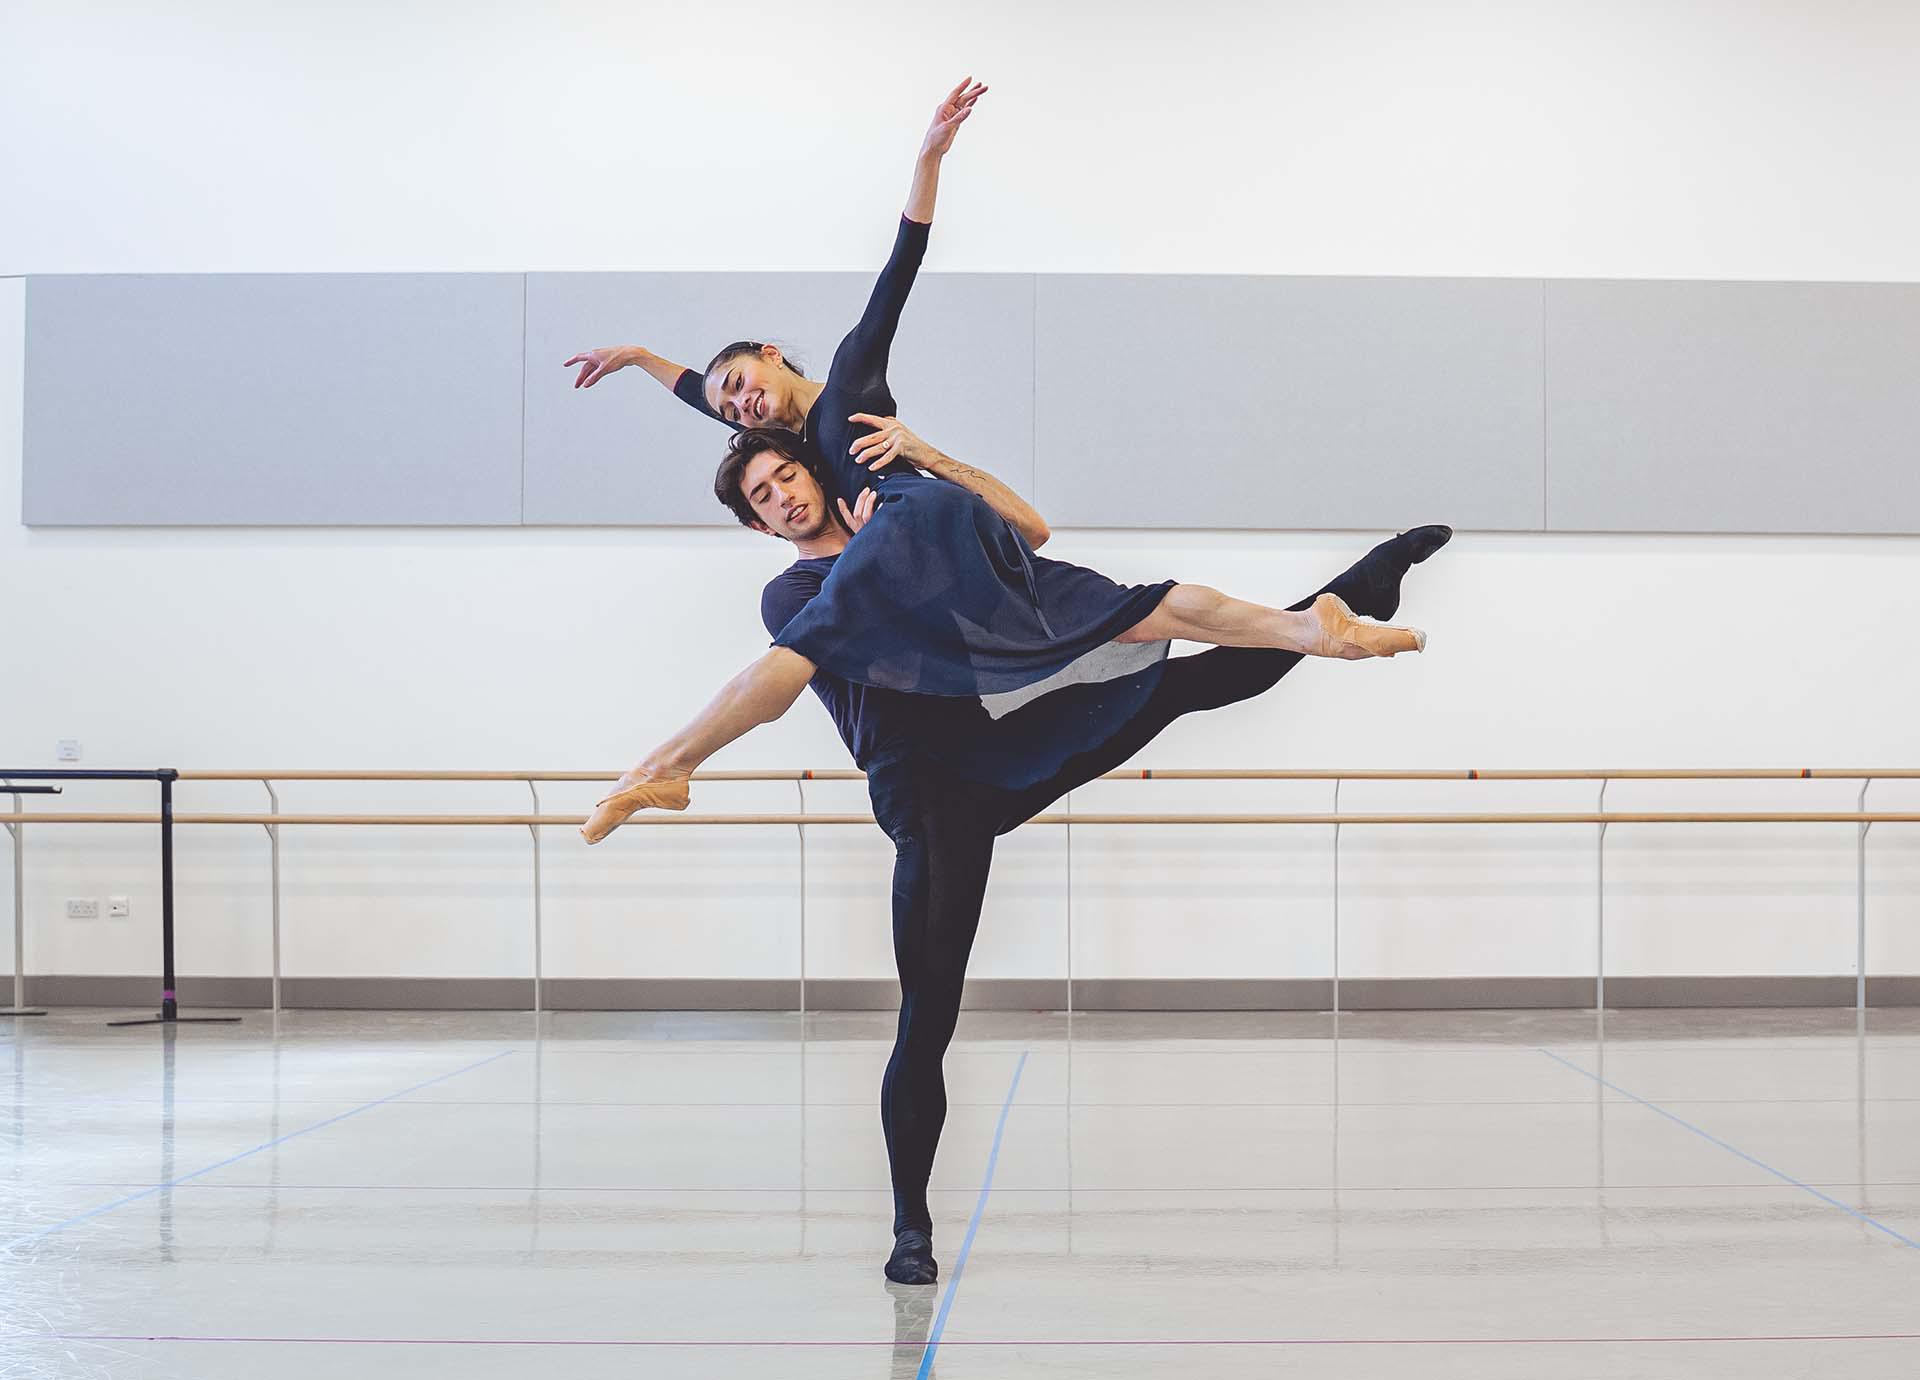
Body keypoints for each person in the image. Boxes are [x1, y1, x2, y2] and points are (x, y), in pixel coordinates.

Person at [606, 415, 1451, 1286]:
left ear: (814, 475)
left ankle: (1351, 593)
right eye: (763, 497)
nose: (783, 496)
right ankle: (909, 1227)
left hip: (1003, 745)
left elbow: (1013, 551)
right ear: (756, 525)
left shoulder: (892, 524)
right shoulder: (790, 596)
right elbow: (876, 633)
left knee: (1188, 681)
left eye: (787, 476)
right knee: (926, 1014)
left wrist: (921, 471)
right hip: (929, 789)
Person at [567, 79, 1428, 840]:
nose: (740, 403)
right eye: (727, 408)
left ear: (766, 354)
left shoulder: (849, 383)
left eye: (742, 384)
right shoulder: (794, 450)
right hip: (966, 546)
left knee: (795, 653)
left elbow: (897, 269)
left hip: (919, 522)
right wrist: (644, 357)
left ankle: (667, 763)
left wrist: (929, 157)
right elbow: (699, 390)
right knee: (1151, 608)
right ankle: (1312, 628)